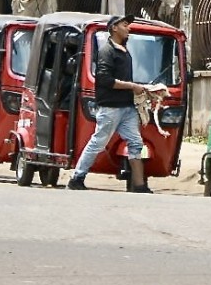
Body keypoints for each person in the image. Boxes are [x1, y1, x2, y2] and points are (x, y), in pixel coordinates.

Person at [67, 15, 160, 193]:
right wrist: (133, 86)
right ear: (114, 28)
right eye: (125, 25)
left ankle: (139, 185)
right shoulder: (106, 51)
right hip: (110, 108)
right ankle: (77, 177)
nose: (129, 28)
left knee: (135, 143)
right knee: (98, 143)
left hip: (127, 108)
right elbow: (105, 80)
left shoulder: (125, 51)